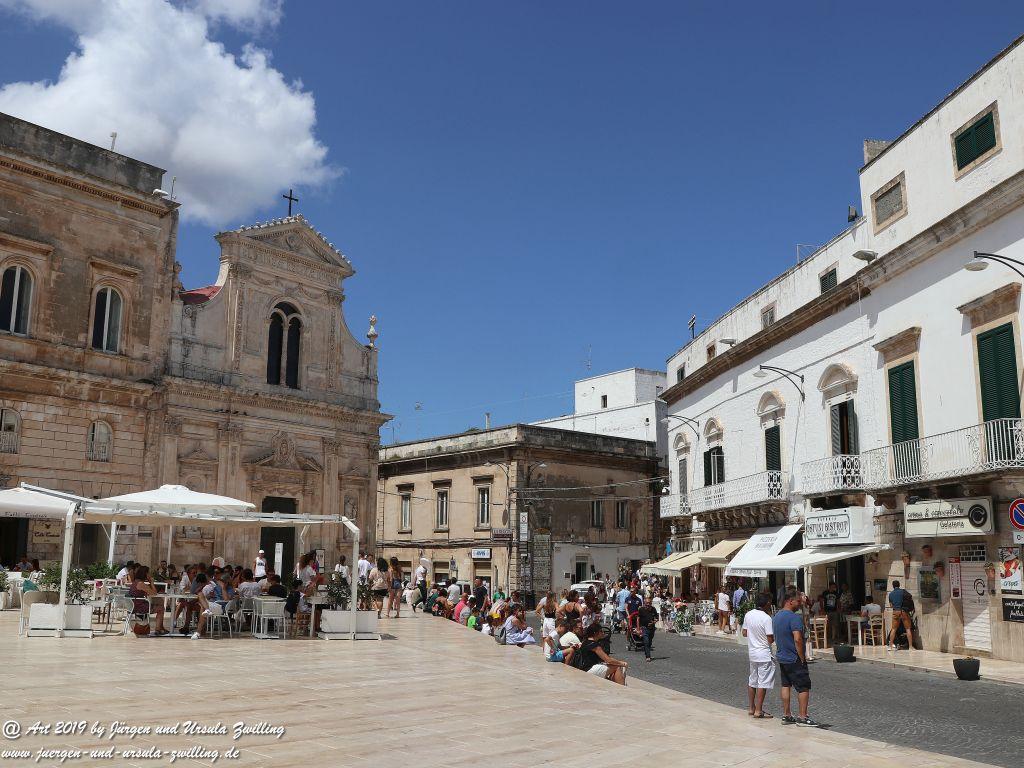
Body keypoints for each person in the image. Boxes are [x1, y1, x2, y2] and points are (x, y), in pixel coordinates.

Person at [773, 588, 818, 727]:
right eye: (798, 601)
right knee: (803, 687)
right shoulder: (794, 618)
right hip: (794, 658)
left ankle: (786, 715)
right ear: (790, 601)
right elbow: (798, 639)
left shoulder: (776, 616)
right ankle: (803, 717)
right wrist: (802, 657)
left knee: (786, 685)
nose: (799, 603)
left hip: (782, 656)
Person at [742, 593, 775, 719]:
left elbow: (744, 633)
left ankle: (751, 708)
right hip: (764, 654)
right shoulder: (767, 618)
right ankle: (759, 710)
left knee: (753, 680)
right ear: (766, 604)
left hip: (753, 653)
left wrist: (754, 635)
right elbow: (770, 639)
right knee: (763, 682)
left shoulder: (748, 614)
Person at [129, 565, 168, 635]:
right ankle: (158, 629)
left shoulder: (135, 582)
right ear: (145, 574)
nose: (150, 575)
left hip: (134, 605)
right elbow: (154, 593)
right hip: (139, 607)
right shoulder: (141, 584)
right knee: (161, 608)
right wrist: (151, 582)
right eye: (148, 573)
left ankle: (161, 628)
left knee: (160, 603)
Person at [887, 580, 914, 651]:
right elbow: (910, 597)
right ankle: (910, 647)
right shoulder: (903, 591)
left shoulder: (891, 594)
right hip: (903, 612)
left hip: (895, 612)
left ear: (893, 586)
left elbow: (891, 605)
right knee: (908, 628)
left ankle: (890, 646)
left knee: (893, 629)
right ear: (899, 585)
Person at [637, 594, 659, 662]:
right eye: (647, 603)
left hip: (651, 628)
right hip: (644, 627)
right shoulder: (641, 609)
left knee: (649, 641)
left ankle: (647, 651)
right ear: (644, 603)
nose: (648, 604)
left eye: (649, 603)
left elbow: (656, 618)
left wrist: (653, 622)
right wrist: (638, 628)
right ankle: (648, 656)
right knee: (646, 641)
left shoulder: (653, 609)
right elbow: (638, 618)